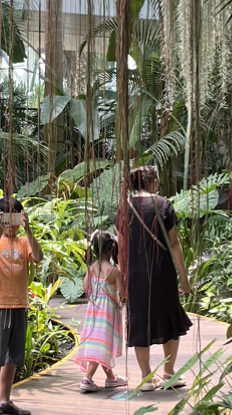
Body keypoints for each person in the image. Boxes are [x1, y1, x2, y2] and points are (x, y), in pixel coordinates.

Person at [121, 164, 191, 390]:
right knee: (169, 318)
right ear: (152, 182)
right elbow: (174, 244)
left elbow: (122, 247)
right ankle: (169, 373)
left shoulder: (125, 207)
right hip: (162, 272)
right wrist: (184, 279)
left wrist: (123, 280)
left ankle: (146, 377)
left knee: (139, 319)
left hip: (135, 275)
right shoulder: (163, 205)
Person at [0, 195, 43, 415]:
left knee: (12, 357)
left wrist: (28, 230)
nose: (11, 224)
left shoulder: (24, 242)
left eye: (15, 218)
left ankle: (4, 402)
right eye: (6, 219)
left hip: (19, 305)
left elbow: (38, 257)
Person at [73, 231, 128, 393]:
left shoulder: (91, 268)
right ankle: (87, 378)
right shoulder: (114, 271)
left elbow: (85, 288)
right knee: (101, 345)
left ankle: (111, 377)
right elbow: (123, 295)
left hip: (93, 313)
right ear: (111, 248)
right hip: (108, 314)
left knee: (100, 343)